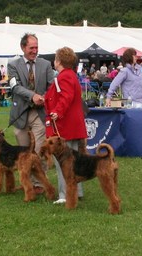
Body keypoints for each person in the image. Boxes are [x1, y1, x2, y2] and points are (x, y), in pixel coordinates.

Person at [7, 33, 54, 194]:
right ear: (23, 47)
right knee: (23, 152)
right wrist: (31, 96)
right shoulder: (13, 65)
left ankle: (39, 184)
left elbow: (51, 86)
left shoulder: (46, 64)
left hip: (39, 114)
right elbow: (15, 87)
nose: (34, 51)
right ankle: (27, 182)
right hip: (20, 114)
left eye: (36, 47)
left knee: (39, 149)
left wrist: (44, 97)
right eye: (31, 48)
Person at [44, 46, 87, 204]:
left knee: (63, 161)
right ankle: (77, 192)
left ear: (58, 61)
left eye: (55, 59)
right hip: (73, 124)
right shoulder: (71, 75)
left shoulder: (64, 76)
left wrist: (57, 111)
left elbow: (66, 97)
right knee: (74, 161)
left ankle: (65, 194)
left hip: (65, 125)